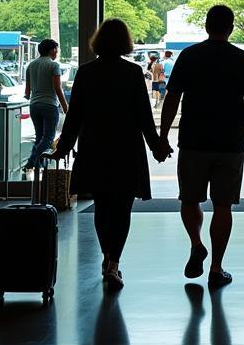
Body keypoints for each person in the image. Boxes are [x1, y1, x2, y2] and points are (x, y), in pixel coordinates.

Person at [158, 5, 244, 289]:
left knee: (189, 199)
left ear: (206, 26)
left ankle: (196, 244)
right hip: (229, 142)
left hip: (193, 139)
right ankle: (217, 268)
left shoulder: (189, 55)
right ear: (230, 28)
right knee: (223, 205)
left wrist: (163, 136)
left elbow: (172, 97)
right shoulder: (240, 59)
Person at [54, 20, 164, 289]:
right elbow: (143, 116)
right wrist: (157, 145)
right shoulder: (133, 73)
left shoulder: (86, 73)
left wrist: (64, 147)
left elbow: (75, 115)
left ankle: (107, 257)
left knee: (102, 207)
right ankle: (114, 261)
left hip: (95, 146)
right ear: (125, 42)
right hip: (126, 147)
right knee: (122, 207)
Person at [24, 38, 69, 172]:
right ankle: (32, 161)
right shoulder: (53, 65)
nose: (57, 52)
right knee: (48, 138)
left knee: (39, 137)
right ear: (52, 50)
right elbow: (57, 87)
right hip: (49, 105)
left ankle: (39, 167)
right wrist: (65, 105)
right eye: (56, 49)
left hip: (34, 105)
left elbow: (27, 90)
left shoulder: (31, 65)